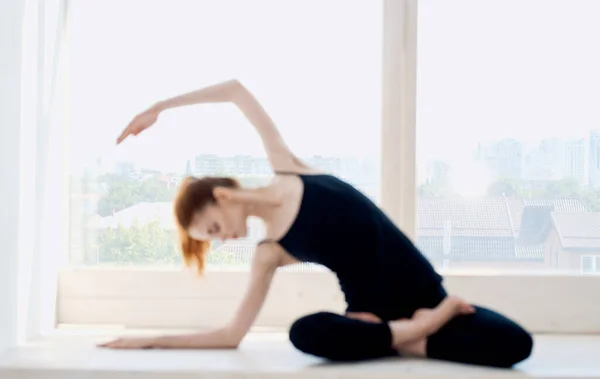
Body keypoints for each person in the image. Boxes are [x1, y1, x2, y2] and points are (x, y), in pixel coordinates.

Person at [99, 79, 533, 368]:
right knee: (304, 334)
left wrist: (158, 107)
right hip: (372, 322)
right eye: (213, 240)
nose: (224, 238)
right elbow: (232, 335)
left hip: (424, 294)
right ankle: (417, 332)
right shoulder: (269, 252)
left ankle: (410, 335)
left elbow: (234, 91)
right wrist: (148, 342)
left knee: (516, 344)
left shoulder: (289, 170)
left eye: (214, 229)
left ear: (222, 196)